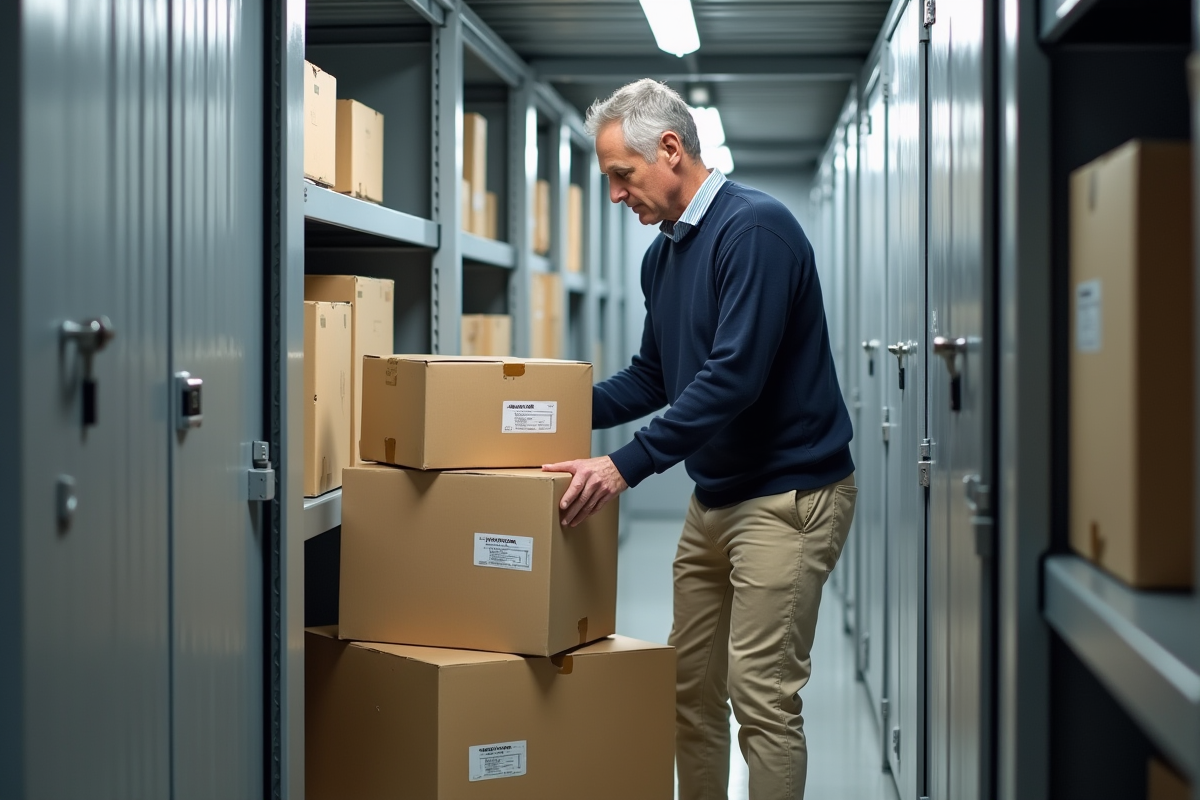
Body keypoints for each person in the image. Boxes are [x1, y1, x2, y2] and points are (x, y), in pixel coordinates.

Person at [542, 78, 857, 800]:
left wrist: (626, 464)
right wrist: (542, 411)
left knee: (763, 701)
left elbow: (732, 377)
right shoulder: (664, 256)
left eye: (622, 176)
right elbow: (655, 376)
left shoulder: (756, 231)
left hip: (788, 497)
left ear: (671, 151)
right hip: (713, 499)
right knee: (688, 692)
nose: (617, 197)